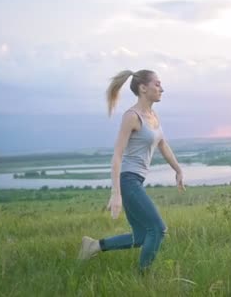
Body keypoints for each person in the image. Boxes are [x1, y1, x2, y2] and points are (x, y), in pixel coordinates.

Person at [78, 69, 185, 274]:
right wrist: (116, 193)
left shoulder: (153, 116)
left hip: (136, 180)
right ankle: (143, 278)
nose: (162, 88)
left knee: (142, 237)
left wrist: (178, 170)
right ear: (143, 88)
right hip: (127, 180)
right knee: (158, 229)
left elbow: (163, 145)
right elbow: (117, 155)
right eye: (157, 84)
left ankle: (93, 246)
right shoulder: (132, 116)